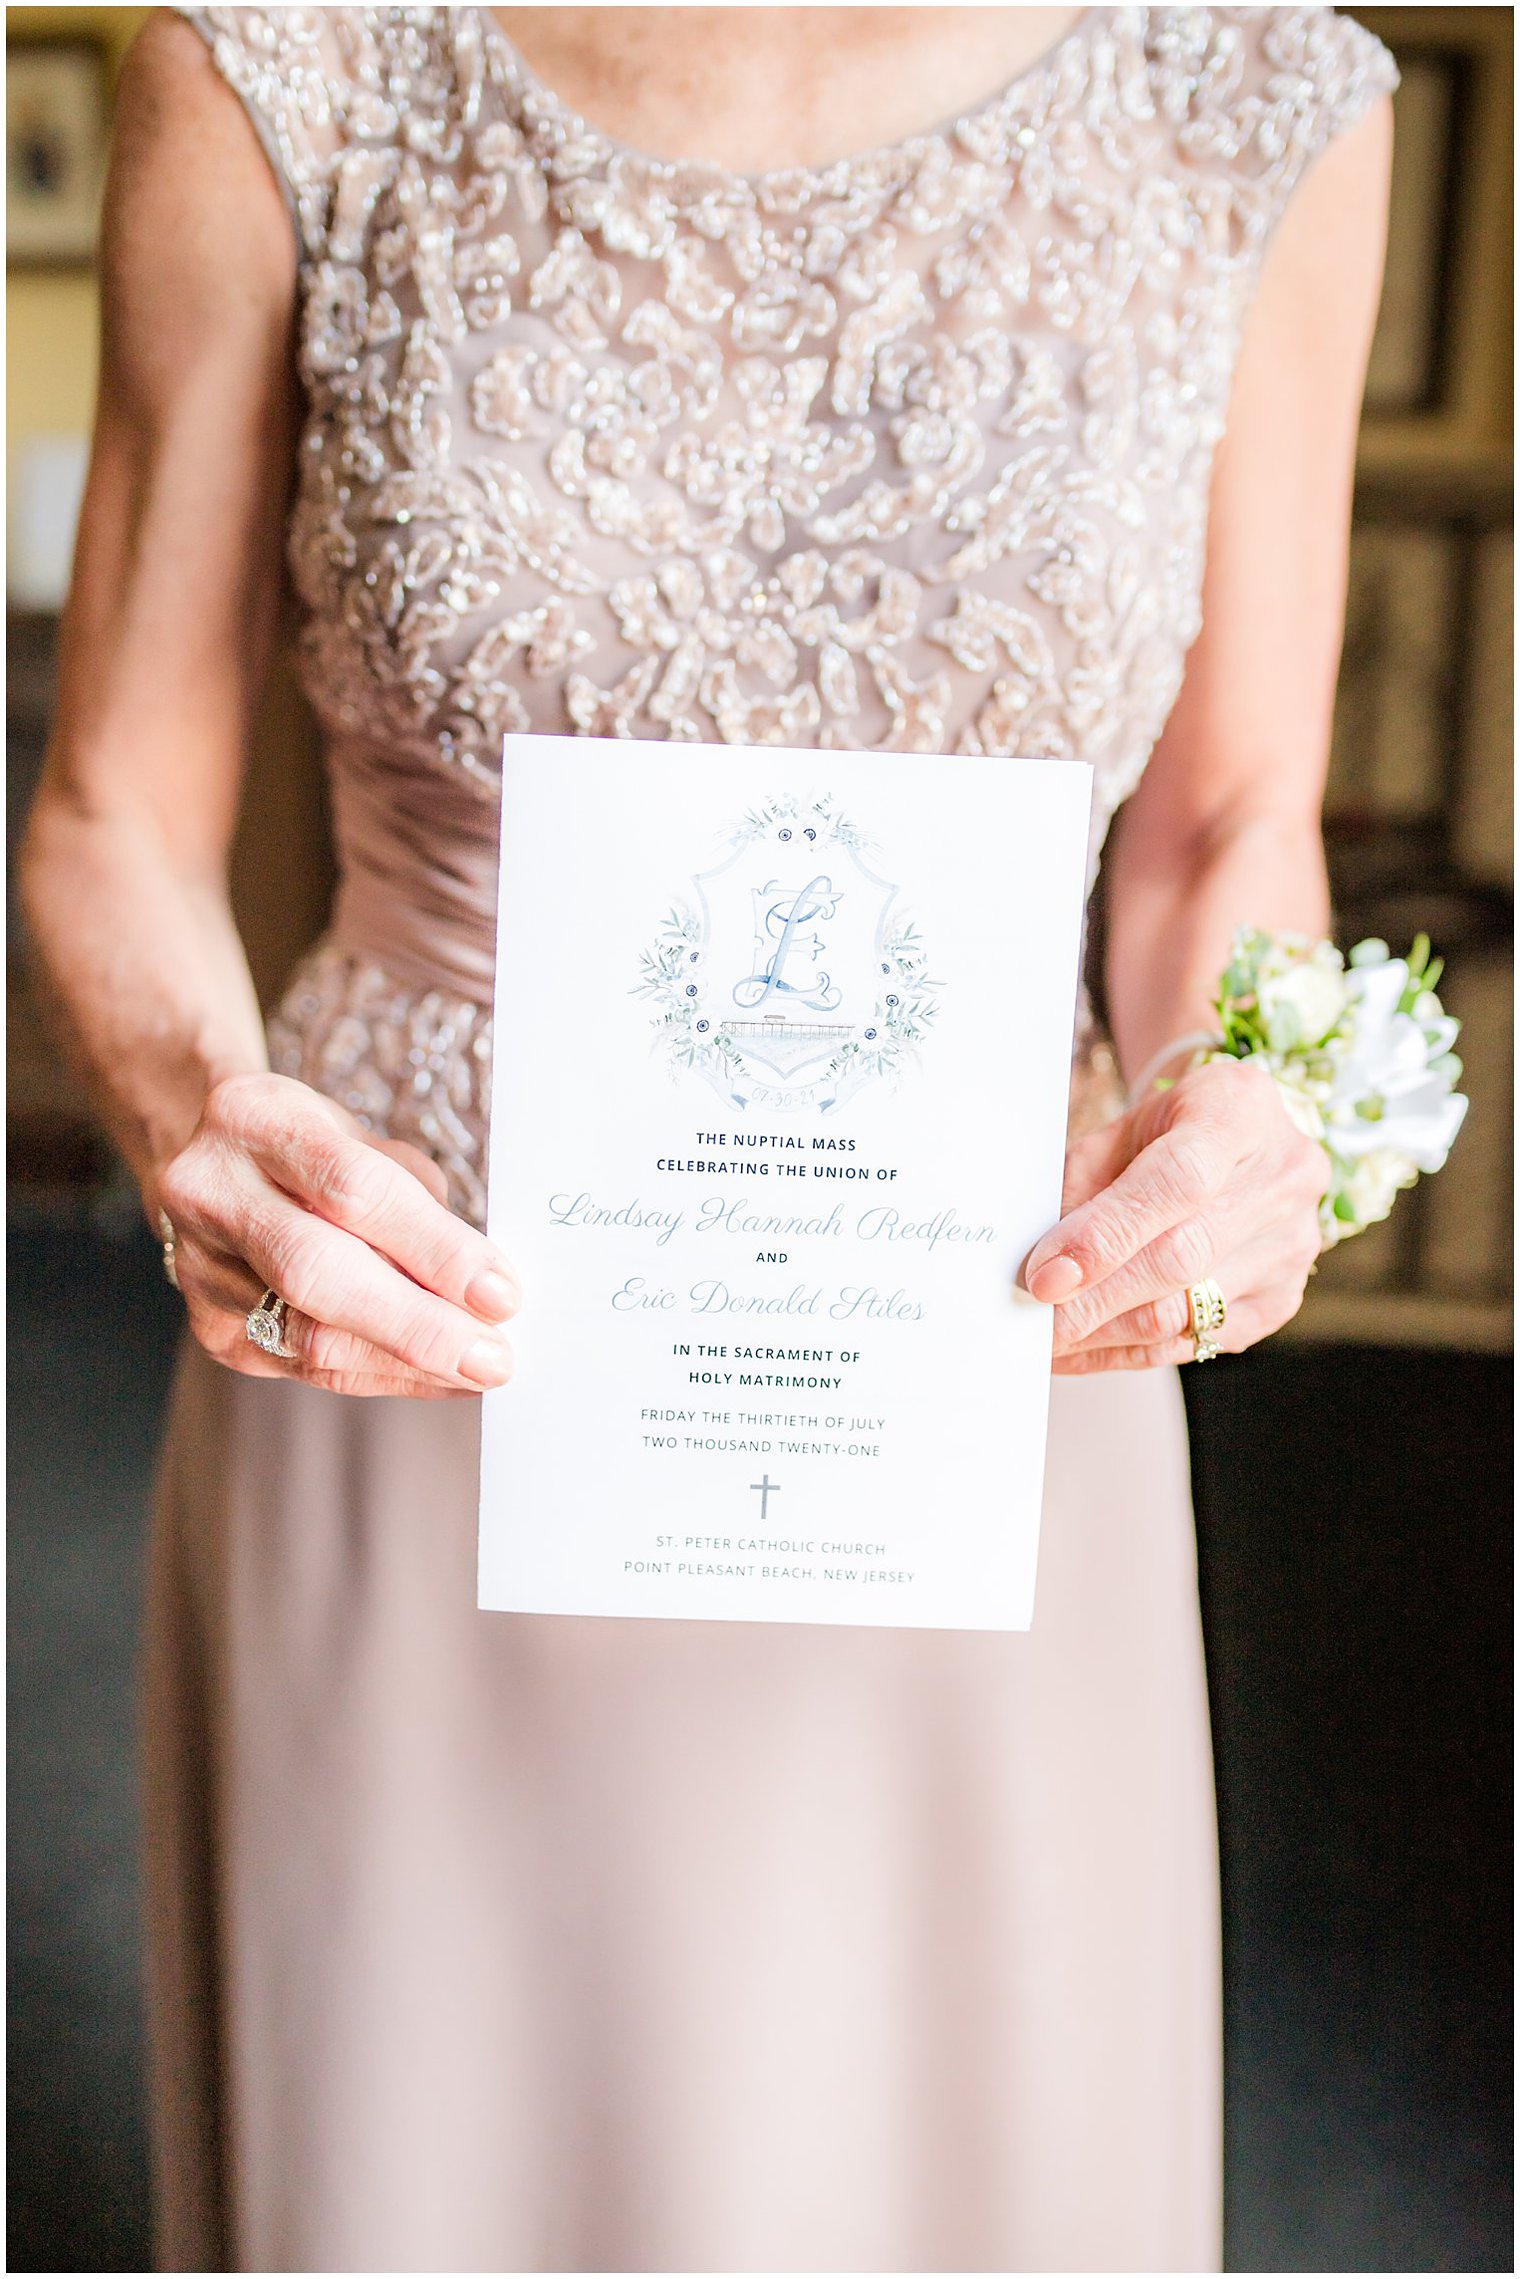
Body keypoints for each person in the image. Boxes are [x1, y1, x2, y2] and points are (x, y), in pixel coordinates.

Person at [20, 6, 1395, 2269]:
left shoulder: (1250, 96)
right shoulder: (285, 61)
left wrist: (1249, 1092)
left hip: (979, 1359)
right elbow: (110, 811)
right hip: (405, 1322)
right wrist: (209, 1118)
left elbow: (1222, 825)